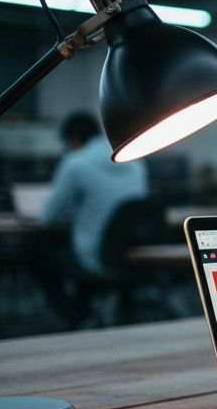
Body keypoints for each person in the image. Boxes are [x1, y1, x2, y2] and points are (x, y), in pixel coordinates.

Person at [39, 112, 147, 322]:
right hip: (131, 256)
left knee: (40, 258)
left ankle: (75, 315)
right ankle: (87, 310)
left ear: (73, 140)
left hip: (93, 256)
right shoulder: (135, 161)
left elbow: (48, 217)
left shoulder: (76, 163)